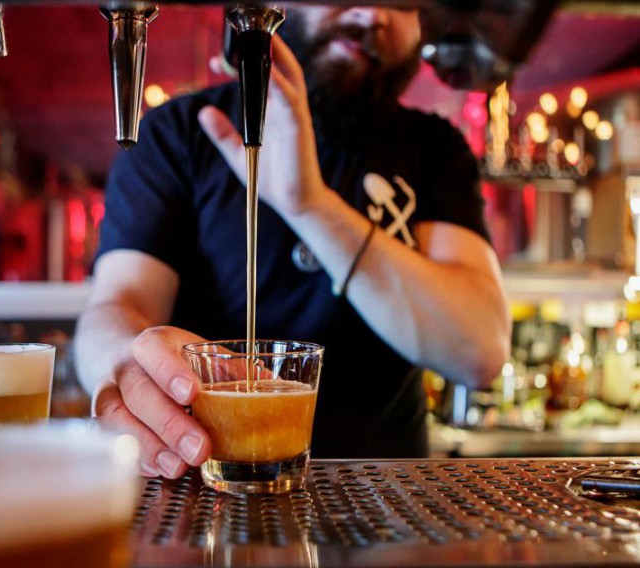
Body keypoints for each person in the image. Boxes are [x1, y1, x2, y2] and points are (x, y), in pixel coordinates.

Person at [73, 6, 511, 479]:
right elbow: (117, 304)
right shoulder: (179, 135)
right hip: (207, 485)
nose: (372, 14)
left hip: (387, 497)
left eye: (402, 2)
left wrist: (310, 206)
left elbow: (478, 351)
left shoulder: (433, 147)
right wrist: (124, 364)